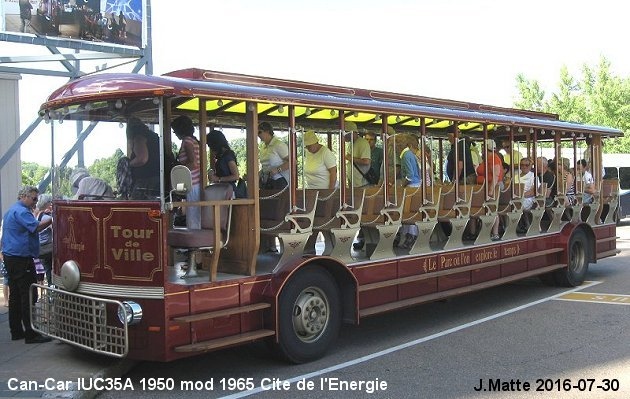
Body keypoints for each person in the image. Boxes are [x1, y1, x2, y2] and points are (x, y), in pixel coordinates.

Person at [0, 186, 53, 344]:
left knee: (15, 295)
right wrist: (52, 219)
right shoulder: (22, 212)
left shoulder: (11, 210)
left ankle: (16, 331)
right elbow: (36, 227)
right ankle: (31, 333)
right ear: (24, 196)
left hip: (11, 257)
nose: (36, 202)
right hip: (21, 258)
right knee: (29, 295)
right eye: (34, 198)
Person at [172, 116, 201, 229]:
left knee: (193, 213)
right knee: (195, 213)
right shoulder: (194, 140)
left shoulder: (187, 141)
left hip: (192, 182)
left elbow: (193, 163)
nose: (174, 133)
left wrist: (178, 170)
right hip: (196, 181)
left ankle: (194, 241)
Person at [126, 117, 161, 199]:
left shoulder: (139, 138)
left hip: (145, 182)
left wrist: (128, 164)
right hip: (157, 178)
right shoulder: (153, 136)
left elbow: (142, 159)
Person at [476, 139, 504, 240]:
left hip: (493, 186)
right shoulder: (487, 159)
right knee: (488, 208)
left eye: (483, 146)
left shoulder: (493, 158)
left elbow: (496, 175)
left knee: (492, 208)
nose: (482, 148)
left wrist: (491, 189)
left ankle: (495, 233)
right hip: (485, 187)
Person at [398, 134, 422, 249]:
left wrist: (403, 185)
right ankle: (408, 235)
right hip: (415, 185)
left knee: (410, 211)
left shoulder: (406, 155)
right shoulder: (409, 154)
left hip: (412, 187)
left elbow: (410, 175)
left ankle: (411, 236)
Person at [258, 122, 289, 189]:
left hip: (280, 181)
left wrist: (278, 170)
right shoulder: (263, 147)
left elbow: (292, 162)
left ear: (267, 131)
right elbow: (265, 166)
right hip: (267, 181)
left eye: (259, 132)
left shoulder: (279, 145)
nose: (258, 135)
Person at [345, 121, 372, 187]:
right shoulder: (351, 143)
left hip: (361, 183)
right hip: (354, 181)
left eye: (345, 133)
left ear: (352, 133)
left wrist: (350, 158)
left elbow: (366, 161)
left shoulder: (363, 143)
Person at [35, 194, 53, 286]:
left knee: (47, 271)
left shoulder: (37, 215)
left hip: (41, 248)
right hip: (48, 249)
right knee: (51, 273)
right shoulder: (46, 218)